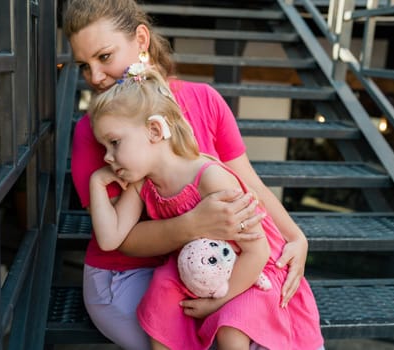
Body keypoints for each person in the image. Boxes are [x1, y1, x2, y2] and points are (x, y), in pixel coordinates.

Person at [64, 0, 310, 348]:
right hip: (126, 271)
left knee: (256, 329)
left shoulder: (205, 99)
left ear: (141, 40)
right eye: (84, 66)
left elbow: (249, 185)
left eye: (104, 57)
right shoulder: (97, 131)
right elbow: (123, 239)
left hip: (206, 263)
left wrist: (296, 237)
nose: (95, 77)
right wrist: (196, 224)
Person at [88, 66, 324, 350]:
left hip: (253, 270)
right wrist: (96, 182)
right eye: (104, 146)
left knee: (231, 327)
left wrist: (218, 302)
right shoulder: (142, 185)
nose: (108, 157)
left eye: (114, 143)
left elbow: (258, 251)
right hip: (206, 267)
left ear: (154, 130)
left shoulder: (210, 177)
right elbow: (110, 238)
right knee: (160, 293)